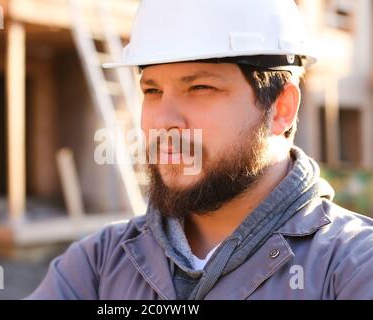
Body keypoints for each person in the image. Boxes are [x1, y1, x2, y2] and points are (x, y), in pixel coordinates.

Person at [28, 0, 373, 300]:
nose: (163, 121)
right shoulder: (98, 265)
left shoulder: (353, 269)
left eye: (200, 87)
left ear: (281, 108)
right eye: (152, 90)